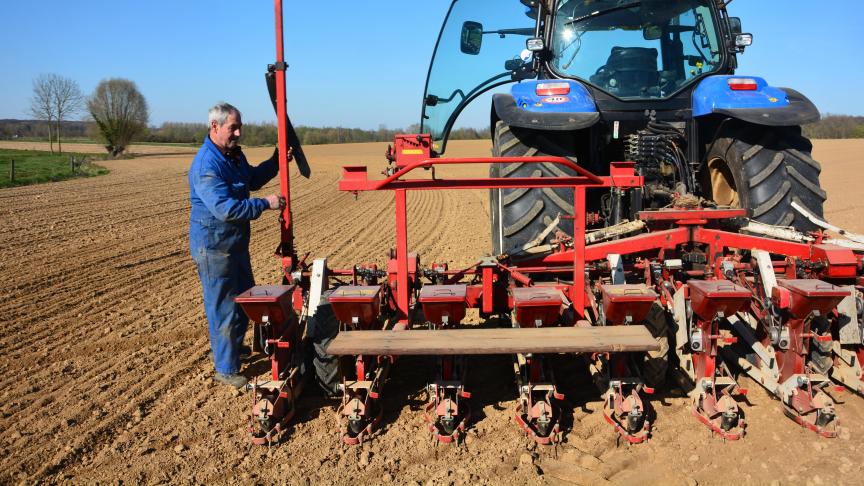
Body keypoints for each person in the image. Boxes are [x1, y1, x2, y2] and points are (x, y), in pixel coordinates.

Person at [188, 102, 291, 388]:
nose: (238, 132)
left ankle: (231, 348)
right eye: (233, 127)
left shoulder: (232, 156)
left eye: (239, 126)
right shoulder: (207, 165)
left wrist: (277, 161)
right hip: (213, 246)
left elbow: (252, 179)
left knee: (243, 301)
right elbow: (227, 209)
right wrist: (265, 204)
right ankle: (226, 368)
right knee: (224, 307)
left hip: (234, 245)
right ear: (215, 127)